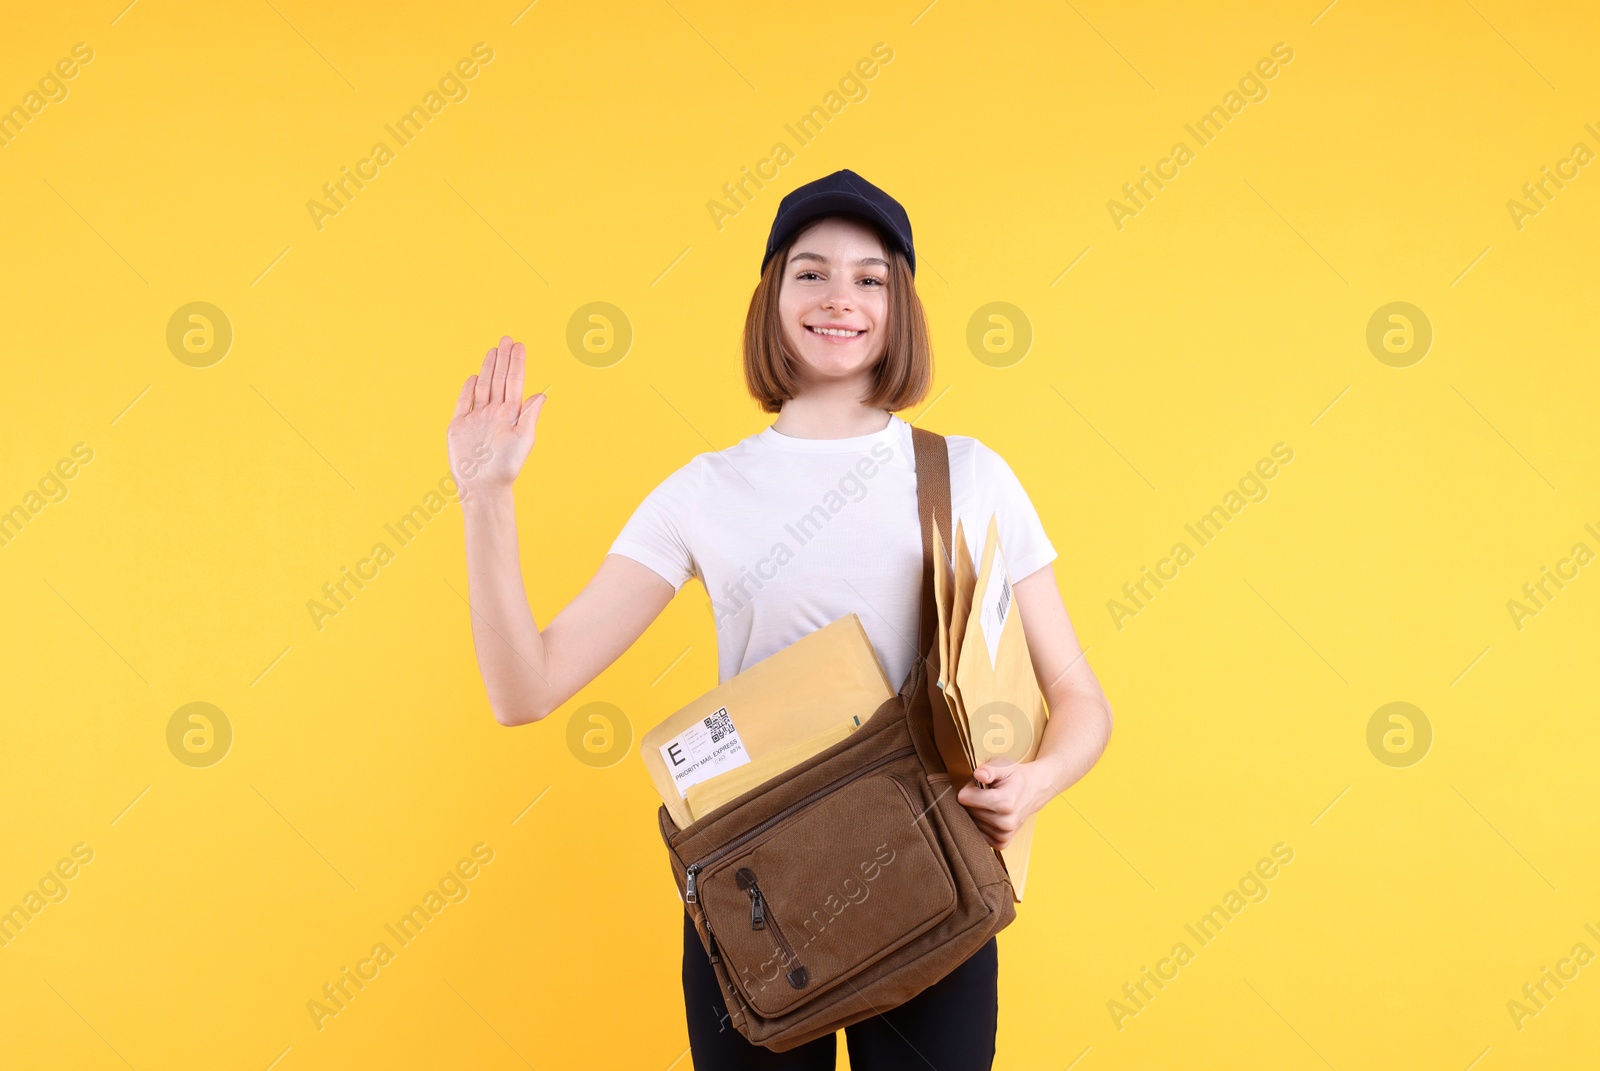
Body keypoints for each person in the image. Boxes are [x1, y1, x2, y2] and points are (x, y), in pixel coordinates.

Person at [446, 169, 1113, 1069]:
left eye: (870, 278)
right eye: (811, 272)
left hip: (934, 877)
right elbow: (524, 687)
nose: (840, 298)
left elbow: (1079, 696)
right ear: (772, 297)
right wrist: (485, 497)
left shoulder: (968, 475)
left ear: (899, 306)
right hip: (760, 895)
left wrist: (1036, 781)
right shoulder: (703, 492)